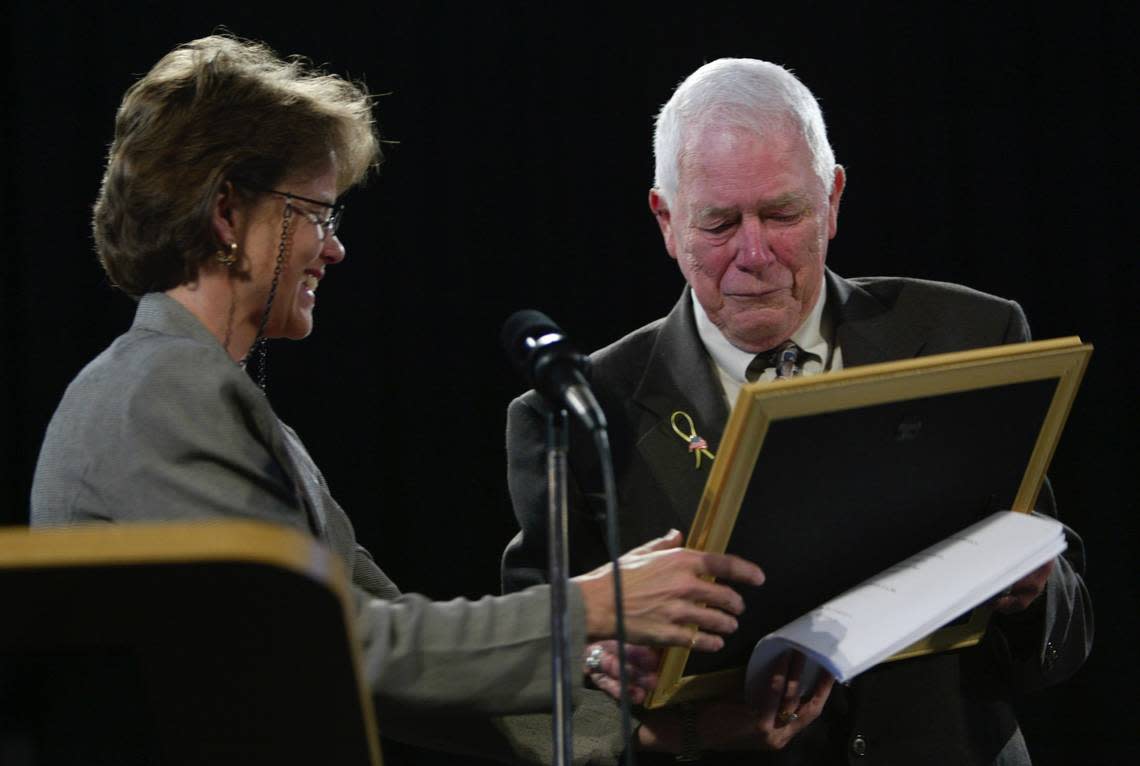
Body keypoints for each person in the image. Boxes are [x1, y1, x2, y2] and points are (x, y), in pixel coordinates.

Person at [28, 36, 772, 761]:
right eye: (316, 212)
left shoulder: (212, 397)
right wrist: (594, 608)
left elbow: (397, 652)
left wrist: (655, 733)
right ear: (227, 215)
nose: (334, 247)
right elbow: (328, 645)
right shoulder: (162, 392)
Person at [501, 58, 1093, 764]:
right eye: (719, 224)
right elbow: (540, 684)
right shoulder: (577, 414)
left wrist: (1030, 591)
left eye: (784, 214)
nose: (755, 254)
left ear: (834, 197)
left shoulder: (972, 335)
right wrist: (605, 667)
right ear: (665, 218)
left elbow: (1061, 646)